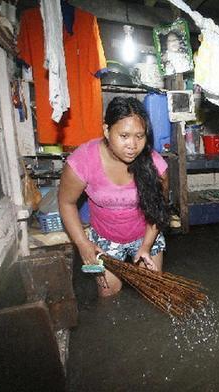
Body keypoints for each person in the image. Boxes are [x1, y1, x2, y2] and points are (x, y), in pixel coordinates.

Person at [58, 97, 169, 297]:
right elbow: (66, 202)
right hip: (105, 240)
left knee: (152, 291)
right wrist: (82, 244)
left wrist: (145, 246)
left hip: (145, 235)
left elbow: (158, 210)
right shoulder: (83, 161)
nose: (133, 145)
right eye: (124, 135)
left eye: (140, 136)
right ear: (107, 130)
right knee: (109, 295)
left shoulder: (155, 165)